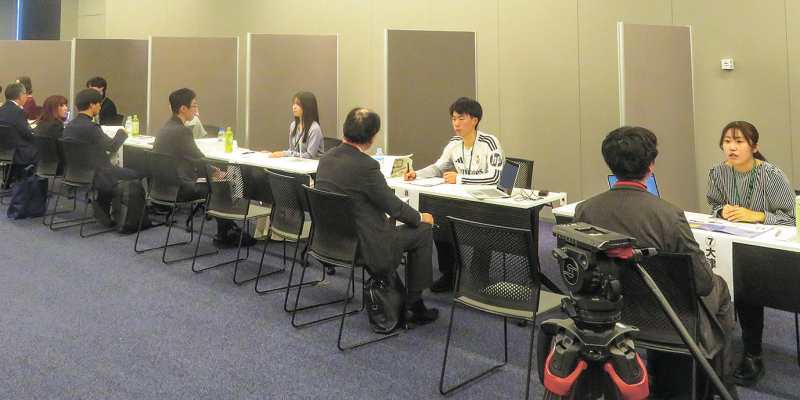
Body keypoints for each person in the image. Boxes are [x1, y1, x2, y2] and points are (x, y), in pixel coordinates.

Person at [573, 126, 737, 399]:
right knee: (719, 287)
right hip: (665, 314)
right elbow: (703, 282)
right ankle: (716, 378)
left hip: (608, 311)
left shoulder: (585, 210)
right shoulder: (669, 215)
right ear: (650, 165)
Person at [315, 107, 439, 327]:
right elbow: (395, 207)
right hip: (365, 248)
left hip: (330, 242)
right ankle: (415, 304)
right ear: (372, 138)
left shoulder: (326, 158)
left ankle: (402, 296)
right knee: (422, 231)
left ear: (345, 129)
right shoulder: (367, 166)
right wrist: (421, 217)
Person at [706, 121, 796, 387]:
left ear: (754, 147)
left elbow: (792, 218)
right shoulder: (717, 172)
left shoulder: (771, 174)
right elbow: (713, 206)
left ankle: (753, 354)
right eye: (727, 141)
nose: (731, 147)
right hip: (730, 244)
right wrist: (721, 211)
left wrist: (756, 216)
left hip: (766, 252)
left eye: (739, 141)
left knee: (747, 285)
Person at [403, 97, 505, 292]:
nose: (456, 124)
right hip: (460, 199)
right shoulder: (454, 143)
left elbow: (494, 177)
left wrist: (460, 178)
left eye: (461, 119)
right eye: (453, 119)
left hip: (485, 203)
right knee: (439, 220)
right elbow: (438, 167)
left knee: (481, 228)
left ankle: (479, 276)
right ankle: (450, 274)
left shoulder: (489, 143)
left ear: (474, 120)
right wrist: (417, 174)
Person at [152, 88, 257, 248]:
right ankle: (226, 233)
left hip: (162, 188)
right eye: (194, 106)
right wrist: (216, 172)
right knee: (221, 184)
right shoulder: (182, 132)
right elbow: (199, 158)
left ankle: (228, 229)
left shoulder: (164, 129)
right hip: (181, 188)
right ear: (183, 108)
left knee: (218, 179)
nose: (196, 110)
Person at [62, 88, 140, 227]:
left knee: (110, 169)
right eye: (98, 103)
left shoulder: (69, 126)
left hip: (76, 172)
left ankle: (104, 206)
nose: (100, 106)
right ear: (92, 105)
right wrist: (122, 132)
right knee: (136, 173)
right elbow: (112, 146)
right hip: (98, 173)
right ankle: (117, 211)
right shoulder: (91, 127)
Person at [263, 91, 324, 159]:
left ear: (307, 106)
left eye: (298, 104)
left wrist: (284, 154)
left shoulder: (314, 128)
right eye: (294, 103)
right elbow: (292, 151)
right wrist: (274, 154)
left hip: (312, 164)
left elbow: (310, 155)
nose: (294, 107)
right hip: (297, 163)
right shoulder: (294, 125)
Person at [0, 82, 38, 179]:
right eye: (25, 94)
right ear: (20, 96)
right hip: (19, 151)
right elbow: (27, 134)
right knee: (40, 147)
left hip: (4, 149)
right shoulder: (18, 112)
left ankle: (9, 180)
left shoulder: (1, 110)